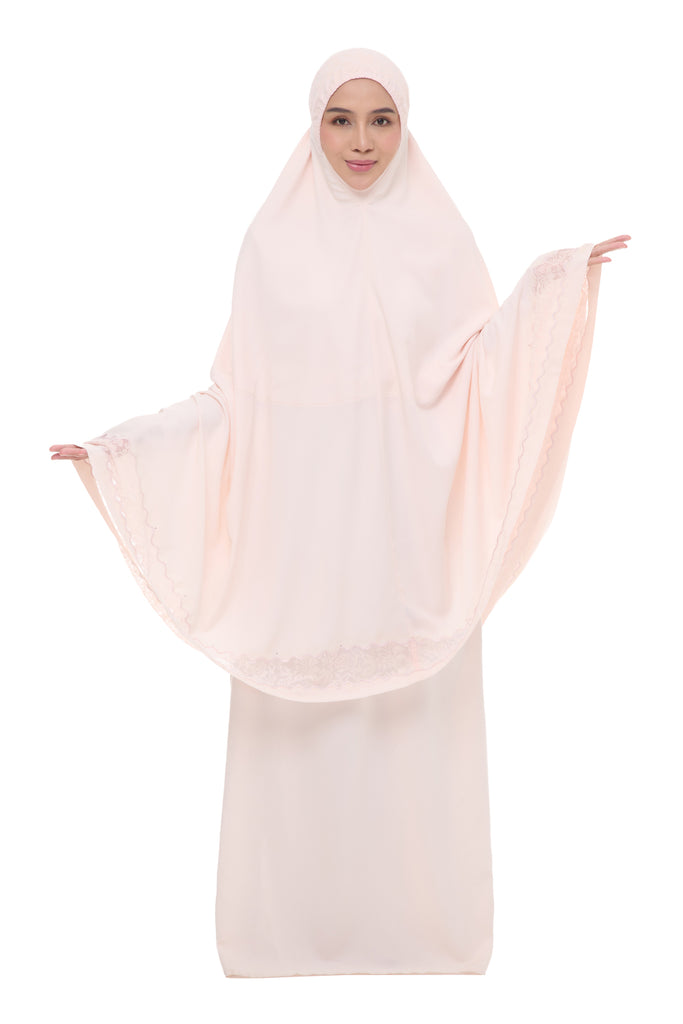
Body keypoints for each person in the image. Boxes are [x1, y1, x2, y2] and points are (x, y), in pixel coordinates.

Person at [50, 48, 628, 977]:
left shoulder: (440, 241)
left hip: (408, 551)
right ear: (313, 125)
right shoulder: (269, 248)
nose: (362, 141)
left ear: (405, 127)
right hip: (301, 553)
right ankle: (285, 941)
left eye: (381, 120)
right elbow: (234, 406)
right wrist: (125, 451)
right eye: (341, 119)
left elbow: (480, 376)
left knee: (411, 746)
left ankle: (423, 938)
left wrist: (556, 283)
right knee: (300, 752)